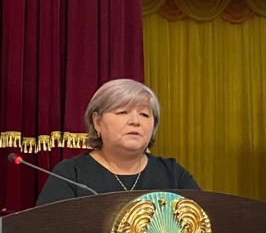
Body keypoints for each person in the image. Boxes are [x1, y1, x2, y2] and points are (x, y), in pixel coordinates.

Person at [36, 79, 199, 205]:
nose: (135, 121)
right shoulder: (71, 174)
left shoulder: (173, 174)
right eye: (123, 112)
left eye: (144, 114)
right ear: (97, 122)